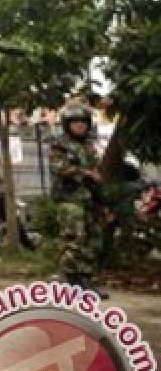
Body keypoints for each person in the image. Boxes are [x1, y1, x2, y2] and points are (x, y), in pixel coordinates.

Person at [50, 103, 109, 296]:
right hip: (69, 199)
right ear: (68, 125)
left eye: (83, 122)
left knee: (93, 239)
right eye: (75, 122)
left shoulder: (88, 146)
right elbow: (59, 167)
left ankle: (85, 280)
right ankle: (69, 281)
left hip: (88, 198)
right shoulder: (60, 144)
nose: (80, 126)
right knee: (73, 239)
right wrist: (85, 173)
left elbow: (96, 170)